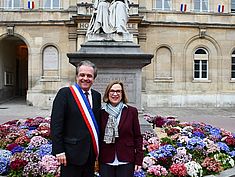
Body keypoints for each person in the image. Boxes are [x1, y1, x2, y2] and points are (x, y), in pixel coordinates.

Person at [50, 60, 101, 177]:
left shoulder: (97, 96)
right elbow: (56, 124)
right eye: (82, 75)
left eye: (89, 76)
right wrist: (59, 151)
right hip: (70, 154)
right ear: (77, 76)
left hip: (90, 154)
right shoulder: (65, 94)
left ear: (94, 78)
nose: (85, 78)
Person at [99, 80, 143, 177]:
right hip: (106, 159)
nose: (115, 94)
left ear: (122, 94)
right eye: (112, 91)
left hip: (126, 159)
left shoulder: (131, 111)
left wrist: (139, 160)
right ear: (107, 93)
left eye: (118, 91)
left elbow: (138, 137)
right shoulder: (100, 112)